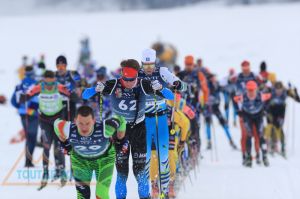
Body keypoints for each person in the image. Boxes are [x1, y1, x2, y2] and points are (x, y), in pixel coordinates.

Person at [82, 59, 166, 199]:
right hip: (120, 131)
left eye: (131, 79)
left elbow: (169, 95)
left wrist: (161, 89)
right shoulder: (114, 84)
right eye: (125, 79)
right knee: (122, 172)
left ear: (137, 76)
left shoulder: (144, 84)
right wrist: (94, 89)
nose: (128, 83)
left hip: (139, 130)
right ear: (122, 75)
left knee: (139, 171)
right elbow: (85, 95)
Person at [54, 105, 126, 199]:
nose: (84, 127)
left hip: (104, 160)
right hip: (80, 161)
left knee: (101, 194)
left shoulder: (105, 128)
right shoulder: (68, 129)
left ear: (94, 121)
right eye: (80, 123)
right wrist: (63, 143)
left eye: (88, 123)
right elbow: (56, 124)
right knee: (82, 196)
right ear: (75, 121)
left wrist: (121, 139)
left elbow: (121, 119)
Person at [139, 48, 183, 197]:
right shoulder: (137, 75)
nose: (149, 69)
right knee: (146, 157)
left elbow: (177, 83)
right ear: (141, 64)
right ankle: (150, 188)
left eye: (151, 65)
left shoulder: (162, 72)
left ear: (155, 62)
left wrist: (176, 83)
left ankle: (166, 188)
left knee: (165, 156)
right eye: (146, 66)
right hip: (144, 119)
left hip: (161, 118)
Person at [21, 70, 70, 187]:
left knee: (59, 146)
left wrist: (71, 94)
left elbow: (68, 91)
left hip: (58, 120)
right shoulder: (39, 87)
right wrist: (26, 96)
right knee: (46, 146)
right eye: (47, 83)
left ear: (54, 80)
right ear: (44, 80)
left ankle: (61, 170)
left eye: (51, 83)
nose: (49, 86)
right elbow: (30, 92)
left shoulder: (58, 86)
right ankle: (45, 172)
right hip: (44, 120)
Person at [234, 81, 271, 167]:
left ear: (256, 89)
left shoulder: (261, 96)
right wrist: (238, 111)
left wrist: (265, 109)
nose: (251, 92)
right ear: (246, 90)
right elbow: (235, 99)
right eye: (249, 90)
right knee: (249, 135)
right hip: (248, 116)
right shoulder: (242, 97)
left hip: (258, 116)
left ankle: (264, 156)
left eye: (252, 90)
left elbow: (269, 97)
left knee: (261, 135)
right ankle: (248, 157)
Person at [177, 55, 209, 153]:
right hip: (182, 105)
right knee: (182, 126)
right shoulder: (180, 75)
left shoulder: (198, 74)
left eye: (190, 64)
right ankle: (183, 150)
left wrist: (205, 103)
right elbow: (173, 89)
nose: (188, 66)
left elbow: (205, 90)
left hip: (195, 105)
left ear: (193, 64)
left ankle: (196, 149)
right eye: (187, 64)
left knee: (195, 127)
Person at [235, 60, 263, 164]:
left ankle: (258, 155)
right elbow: (236, 95)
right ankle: (245, 156)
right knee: (245, 134)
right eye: (244, 69)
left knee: (257, 133)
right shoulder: (239, 78)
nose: (246, 71)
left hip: (255, 109)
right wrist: (238, 110)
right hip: (243, 110)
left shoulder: (254, 76)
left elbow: (263, 86)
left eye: (247, 69)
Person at [11, 66, 39, 167]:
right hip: (33, 114)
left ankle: (28, 161)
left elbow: (13, 101)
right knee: (32, 138)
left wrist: (20, 107)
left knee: (28, 137)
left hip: (23, 114)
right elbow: (37, 101)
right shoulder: (35, 84)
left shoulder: (20, 85)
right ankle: (28, 162)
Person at [265, 81, 300, 157]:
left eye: (280, 90)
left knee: (279, 128)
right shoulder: (271, 91)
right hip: (271, 112)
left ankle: (282, 146)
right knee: (270, 126)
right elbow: (264, 99)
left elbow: (297, 99)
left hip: (280, 113)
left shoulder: (285, 92)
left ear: (282, 89)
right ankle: (270, 144)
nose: (278, 92)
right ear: (274, 89)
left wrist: (295, 91)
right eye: (277, 90)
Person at [204, 74, 237, 150]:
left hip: (216, 107)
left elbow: (224, 89)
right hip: (208, 107)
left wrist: (229, 83)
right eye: (212, 78)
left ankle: (231, 141)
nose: (214, 79)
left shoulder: (217, 84)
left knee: (224, 124)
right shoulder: (207, 85)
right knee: (208, 124)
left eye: (214, 77)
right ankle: (209, 141)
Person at [55, 55, 81, 121]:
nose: (60, 69)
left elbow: (80, 88)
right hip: (58, 103)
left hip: (71, 101)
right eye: (58, 66)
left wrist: (77, 91)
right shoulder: (54, 75)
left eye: (62, 66)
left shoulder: (73, 74)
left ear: (66, 66)